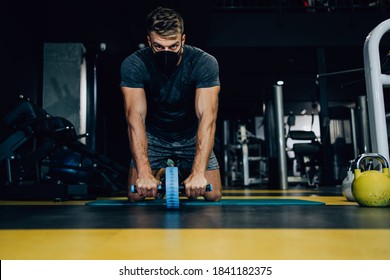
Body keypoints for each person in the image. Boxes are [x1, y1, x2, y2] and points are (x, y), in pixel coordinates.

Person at [120, 7, 222, 202]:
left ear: (183, 40)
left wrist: (199, 172)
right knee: (135, 195)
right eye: (159, 47)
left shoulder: (204, 62)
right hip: (155, 135)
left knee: (213, 194)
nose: (166, 52)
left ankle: (185, 173)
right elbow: (135, 118)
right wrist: (143, 173)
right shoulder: (135, 64)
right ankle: (160, 174)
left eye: (173, 46)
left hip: (190, 135)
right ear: (149, 41)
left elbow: (207, 118)